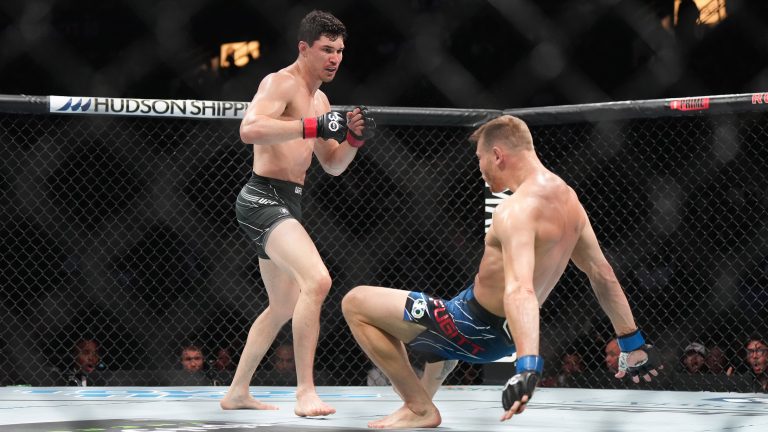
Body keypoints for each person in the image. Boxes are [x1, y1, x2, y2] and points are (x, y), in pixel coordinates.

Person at [342, 115, 662, 428]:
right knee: (442, 325)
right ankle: (424, 395)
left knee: (355, 303)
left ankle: (418, 407)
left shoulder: (516, 210)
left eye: (481, 160)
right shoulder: (569, 199)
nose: (481, 172)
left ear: (497, 155)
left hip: (474, 327)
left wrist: (527, 366)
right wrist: (631, 341)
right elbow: (602, 274)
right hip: (495, 323)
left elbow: (519, 288)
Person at [219, 9, 374, 417]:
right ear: (304, 48)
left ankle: (236, 392)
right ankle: (305, 391)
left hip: (291, 201)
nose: (335, 58)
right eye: (326, 49)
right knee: (317, 280)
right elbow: (249, 129)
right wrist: (311, 125)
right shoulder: (279, 83)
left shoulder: (320, 99)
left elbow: (332, 164)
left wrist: (353, 141)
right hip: (262, 197)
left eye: (340, 50)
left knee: (282, 307)